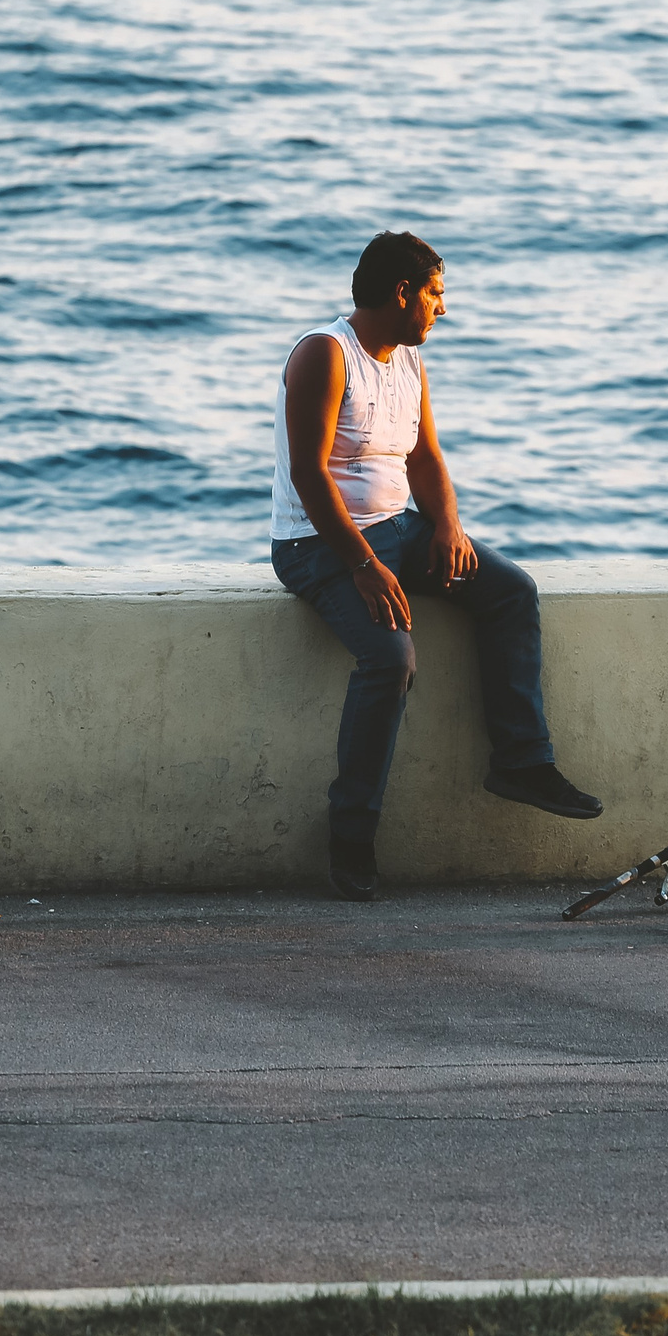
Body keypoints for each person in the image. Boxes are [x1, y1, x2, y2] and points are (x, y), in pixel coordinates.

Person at [271, 231, 603, 900]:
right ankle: (352, 832)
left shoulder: (407, 362)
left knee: (510, 590)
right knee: (391, 659)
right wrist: (363, 563)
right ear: (402, 292)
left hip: (403, 528)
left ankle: (521, 760)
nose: (441, 310)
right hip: (320, 544)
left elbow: (424, 459)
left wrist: (448, 525)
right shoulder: (325, 354)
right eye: (435, 293)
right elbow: (309, 475)